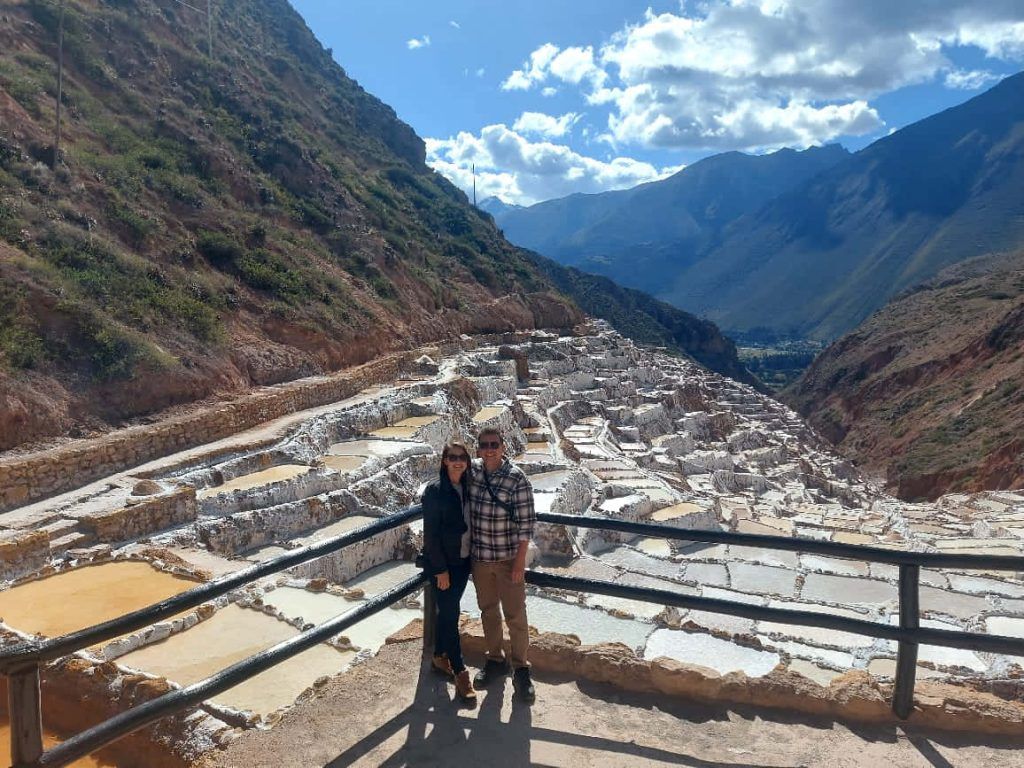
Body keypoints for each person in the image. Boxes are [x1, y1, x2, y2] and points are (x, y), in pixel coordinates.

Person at [468, 427, 537, 702]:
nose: (489, 449)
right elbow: (450, 463)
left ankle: (521, 669)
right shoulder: (473, 473)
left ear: (503, 447)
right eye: (484, 445)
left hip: (508, 560)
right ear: (479, 449)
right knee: (488, 611)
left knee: (516, 616)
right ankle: (495, 660)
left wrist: (520, 562)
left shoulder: (516, 479)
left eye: (494, 444)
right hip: (481, 558)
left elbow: (526, 525)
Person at [422, 441, 477, 702]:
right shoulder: (435, 492)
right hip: (445, 565)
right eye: (452, 457)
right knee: (451, 614)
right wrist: (440, 570)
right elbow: (430, 536)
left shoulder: (468, 486)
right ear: (444, 461)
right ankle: (460, 672)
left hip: (464, 560)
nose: (458, 462)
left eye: (462, 457)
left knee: (447, 612)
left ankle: (438, 657)